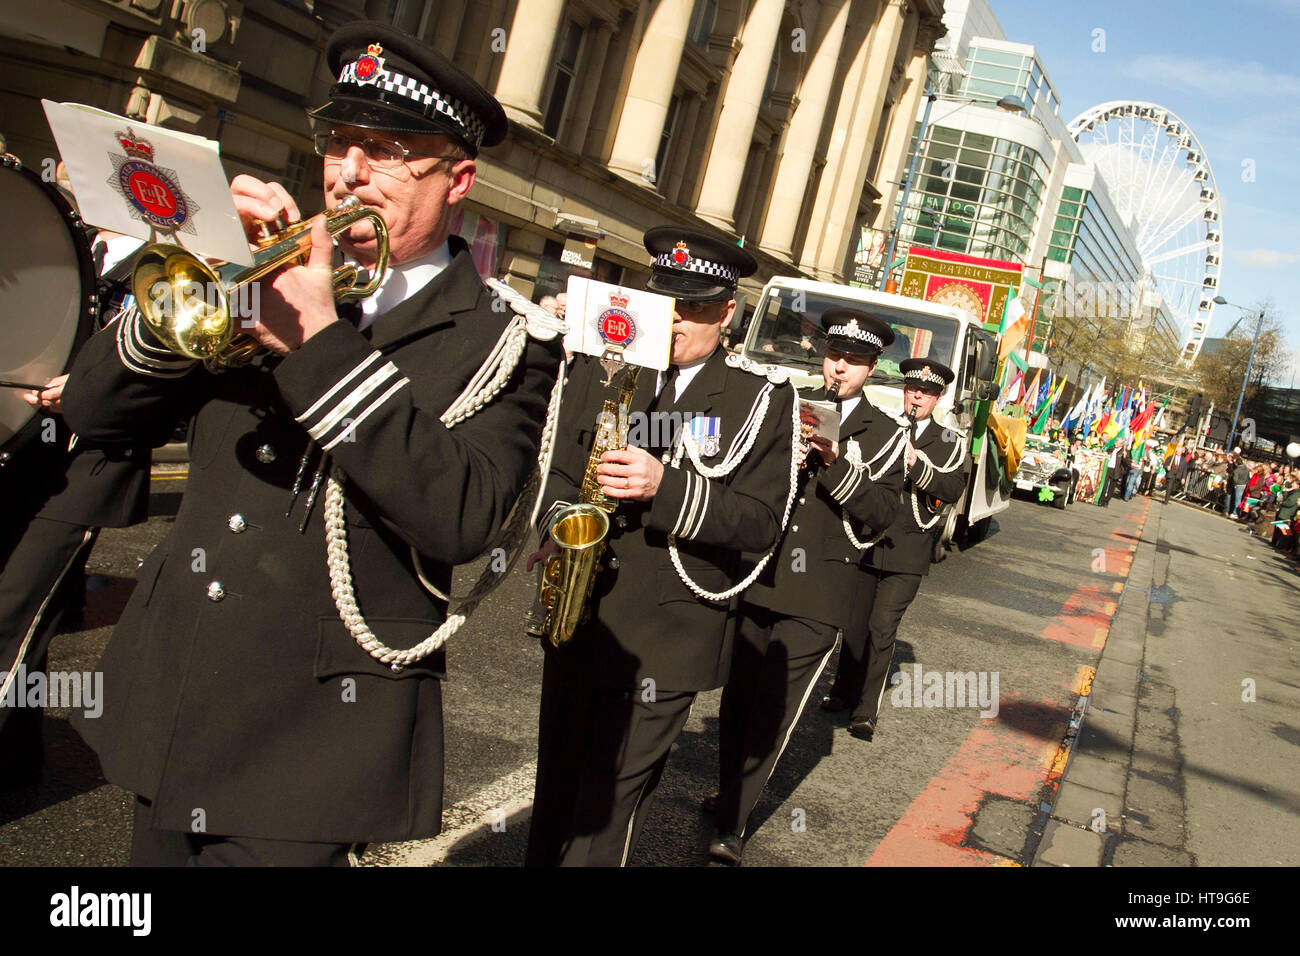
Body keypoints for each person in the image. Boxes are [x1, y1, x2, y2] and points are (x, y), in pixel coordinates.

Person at [61, 21, 563, 866]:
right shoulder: (254, 269)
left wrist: (320, 338)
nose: (351, 171)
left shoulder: (506, 336)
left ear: (458, 179)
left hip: (314, 737)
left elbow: (465, 515)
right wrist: (189, 267)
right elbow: (94, 412)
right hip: (180, 687)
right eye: (340, 142)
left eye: (392, 149)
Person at [525, 225, 799, 867]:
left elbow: (762, 522)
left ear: (728, 313)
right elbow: (561, 468)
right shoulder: (606, 366)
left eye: (696, 307)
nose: (675, 320)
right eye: (667, 300)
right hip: (583, 613)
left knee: (612, 798)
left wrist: (664, 487)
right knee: (558, 785)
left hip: (671, 629)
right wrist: (559, 532)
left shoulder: (760, 398)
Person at [709, 310, 906, 865]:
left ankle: (734, 823)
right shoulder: (787, 402)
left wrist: (838, 465)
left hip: (818, 591)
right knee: (736, 701)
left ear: (871, 369)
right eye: (834, 356)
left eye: (855, 361)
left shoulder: (887, 435)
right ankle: (729, 793)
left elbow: (883, 514)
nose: (840, 367)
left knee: (774, 708)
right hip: (760, 574)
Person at [1, 231, 152, 790]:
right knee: (24, 625)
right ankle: (15, 762)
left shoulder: (162, 258)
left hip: (87, 466)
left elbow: (172, 370)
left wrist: (93, 388)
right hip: (21, 455)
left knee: (11, 612)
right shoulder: (57, 238)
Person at [823, 358, 971, 740]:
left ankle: (865, 710)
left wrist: (916, 463)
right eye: (912, 389)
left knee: (881, 627)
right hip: (868, 541)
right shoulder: (883, 426)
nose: (916, 396)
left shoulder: (949, 442)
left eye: (926, 393)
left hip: (907, 550)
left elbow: (952, 487)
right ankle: (842, 691)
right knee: (854, 626)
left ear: (937, 399)